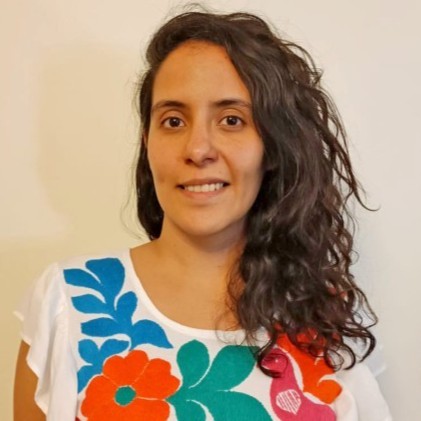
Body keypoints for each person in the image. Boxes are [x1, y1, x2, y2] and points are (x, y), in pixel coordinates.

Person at [14, 9, 392, 421]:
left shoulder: (329, 320)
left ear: (272, 145)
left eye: (232, 120)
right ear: (148, 142)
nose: (198, 149)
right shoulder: (70, 303)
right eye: (173, 121)